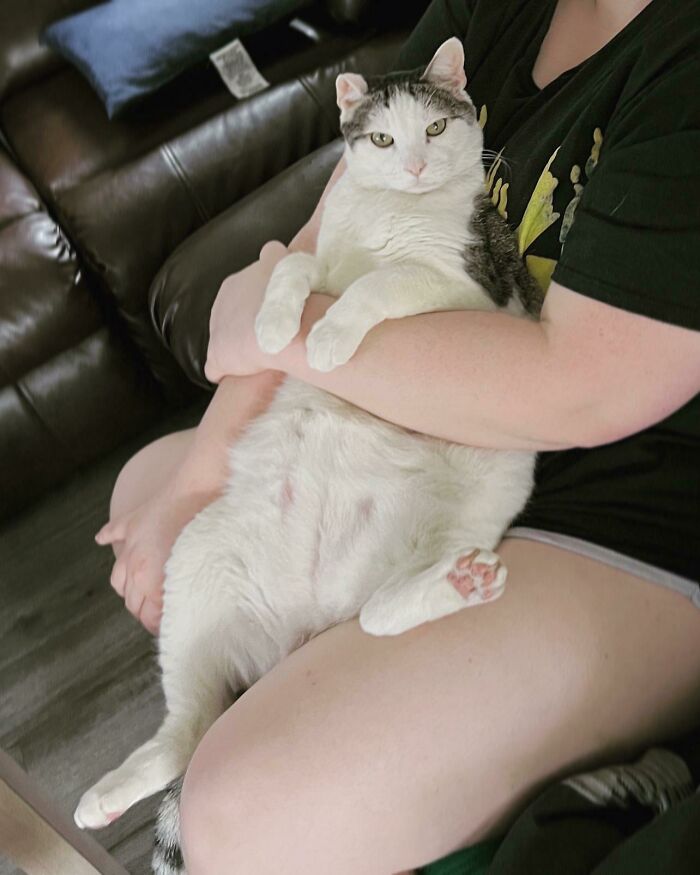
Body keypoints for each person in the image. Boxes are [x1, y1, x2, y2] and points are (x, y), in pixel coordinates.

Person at [95, 0, 700, 871]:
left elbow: (584, 386)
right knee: (152, 485)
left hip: (623, 506)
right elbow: (333, 225)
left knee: (237, 806)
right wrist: (194, 478)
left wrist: (275, 325)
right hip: (429, 443)